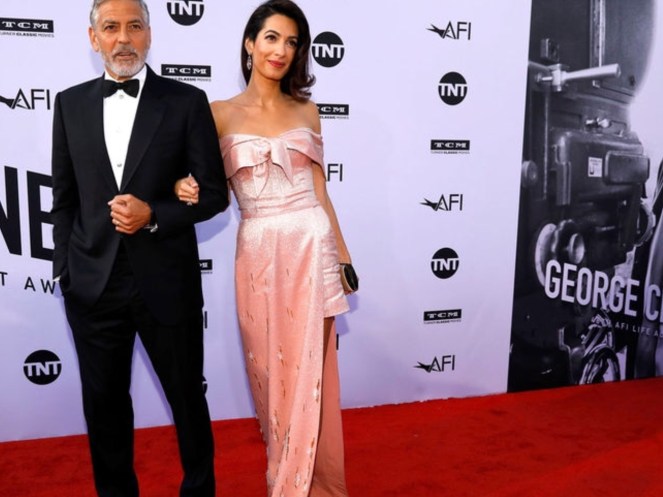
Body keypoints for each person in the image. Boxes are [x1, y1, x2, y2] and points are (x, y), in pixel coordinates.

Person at [176, 1, 354, 495]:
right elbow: (200, 183)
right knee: (270, 374)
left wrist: (343, 257)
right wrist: (181, 187)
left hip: (312, 246)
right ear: (250, 44)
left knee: (313, 375)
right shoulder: (218, 113)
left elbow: (321, 192)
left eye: (292, 42)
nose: (281, 50)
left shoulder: (307, 111)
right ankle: (287, 473)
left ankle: (313, 486)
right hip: (258, 252)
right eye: (272, 38)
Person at [50, 1, 228, 496]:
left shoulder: (186, 101)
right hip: (92, 285)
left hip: (165, 280)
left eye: (134, 26)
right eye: (111, 27)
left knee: (187, 399)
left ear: (150, 34)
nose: (123, 38)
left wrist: (155, 214)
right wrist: (66, 268)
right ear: (94, 38)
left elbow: (214, 194)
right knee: (104, 409)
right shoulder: (69, 104)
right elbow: (64, 199)